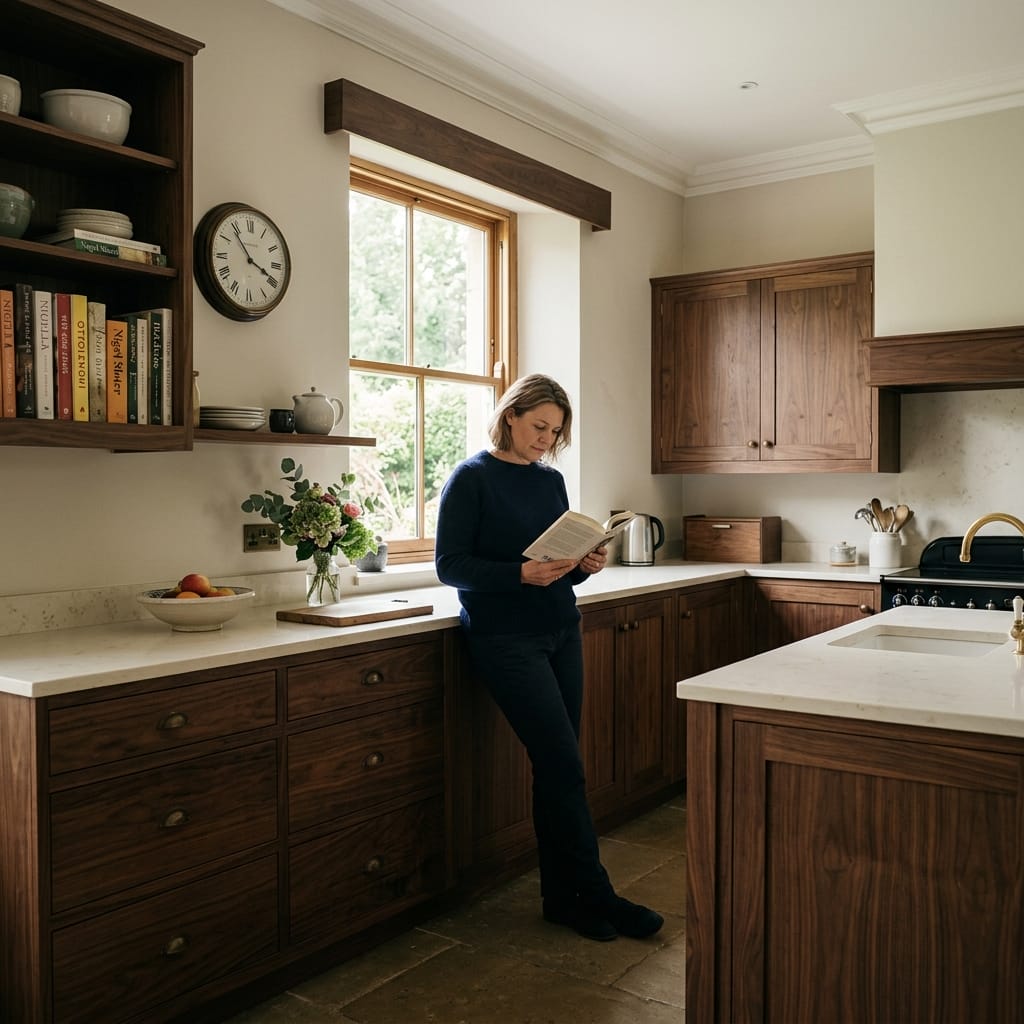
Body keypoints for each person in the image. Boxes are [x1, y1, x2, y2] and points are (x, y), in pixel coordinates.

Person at [435, 373, 664, 943]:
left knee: (558, 771)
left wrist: (584, 566)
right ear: (510, 415)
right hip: (505, 640)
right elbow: (450, 566)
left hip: (562, 629)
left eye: (555, 431)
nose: (546, 439)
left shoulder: (551, 482)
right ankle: (599, 894)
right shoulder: (470, 479)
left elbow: (557, 565)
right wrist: (519, 574)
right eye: (539, 427)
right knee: (565, 767)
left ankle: (563, 900)